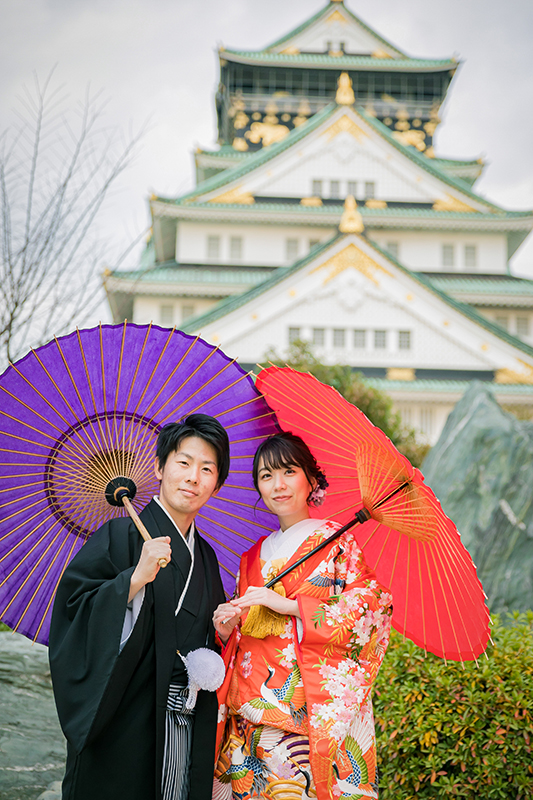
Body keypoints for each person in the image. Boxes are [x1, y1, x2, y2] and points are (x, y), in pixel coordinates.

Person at [49, 414, 229, 800]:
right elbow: (74, 610)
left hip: (183, 722)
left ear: (216, 484)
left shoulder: (207, 557)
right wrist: (133, 581)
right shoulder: (119, 536)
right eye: (184, 462)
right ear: (160, 468)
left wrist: (222, 632)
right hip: (123, 719)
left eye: (207, 469)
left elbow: (202, 639)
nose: (193, 477)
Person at [212, 431, 393, 800]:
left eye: (289, 472)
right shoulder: (251, 556)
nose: (278, 485)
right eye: (266, 476)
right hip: (248, 713)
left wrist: (293, 606)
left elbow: (372, 609)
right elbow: (245, 633)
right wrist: (227, 629)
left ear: (312, 480)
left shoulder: (338, 542)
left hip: (309, 712)